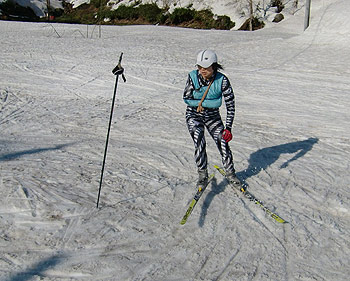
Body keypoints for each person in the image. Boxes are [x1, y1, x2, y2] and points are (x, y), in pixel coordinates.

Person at [183, 49, 241, 189]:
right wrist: (214, 102)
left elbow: (230, 106)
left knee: (223, 142)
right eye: (200, 67)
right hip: (194, 115)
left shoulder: (222, 80)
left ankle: (231, 173)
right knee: (199, 139)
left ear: (214, 66)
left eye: (206, 68)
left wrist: (228, 128)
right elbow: (187, 98)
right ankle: (202, 174)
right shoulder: (192, 77)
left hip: (213, 117)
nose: (202, 71)